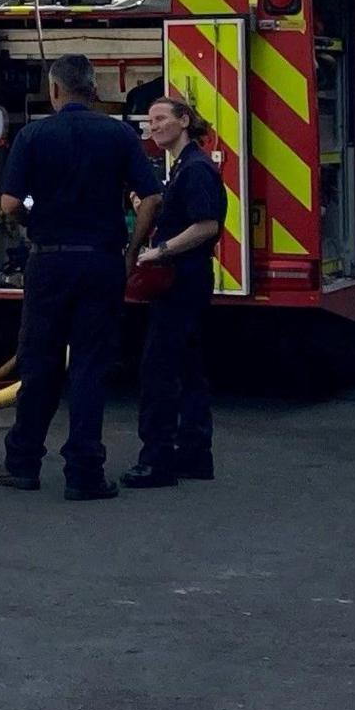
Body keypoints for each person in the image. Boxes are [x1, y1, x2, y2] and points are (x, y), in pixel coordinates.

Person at [0, 55, 155, 499]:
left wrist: (35, 212)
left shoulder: (34, 134)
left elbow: (9, 204)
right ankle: (85, 473)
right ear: (94, 89)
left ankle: (22, 463)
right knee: (90, 367)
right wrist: (133, 250)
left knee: (40, 364)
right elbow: (151, 198)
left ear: (56, 91)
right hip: (102, 262)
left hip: (49, 262)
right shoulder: (120, 134)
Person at [125, 92, 224, 488]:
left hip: (181, 280)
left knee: (159, 371)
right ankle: (195, 455)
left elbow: (206, 225)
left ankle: (157, 462)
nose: (155, 126)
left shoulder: (196, 169)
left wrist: (158, 252)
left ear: (184, 121)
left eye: (162, 118)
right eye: (150, 121)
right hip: (189, 280)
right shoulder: (183, 166)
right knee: (189, 369)